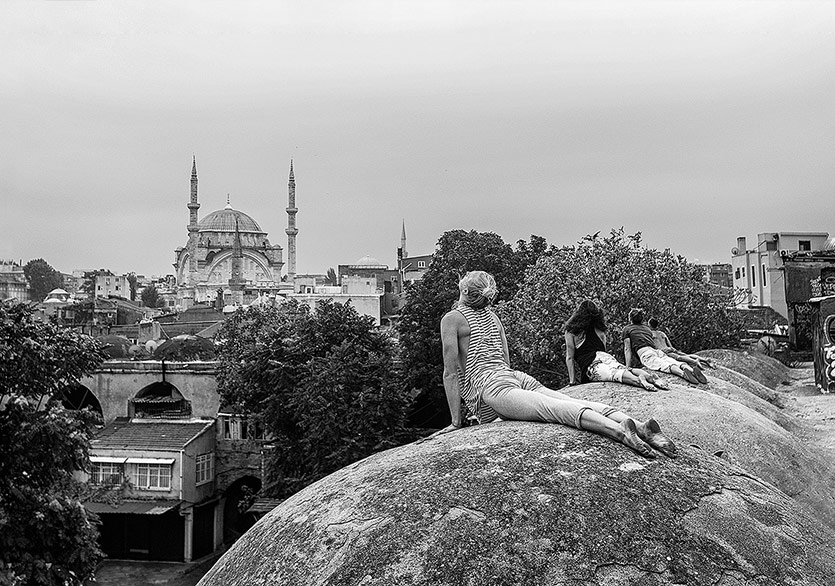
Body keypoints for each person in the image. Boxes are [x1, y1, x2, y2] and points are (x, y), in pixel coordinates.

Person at [429, 271, 676, 459]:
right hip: (514, 376)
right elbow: (505, 358)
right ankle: (642, 426)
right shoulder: (493, 317)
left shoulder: (452, 319)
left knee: (553, 410)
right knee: (570, 401)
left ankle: (620, 431)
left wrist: (455, 422)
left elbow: (451, 373)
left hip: (492, 386)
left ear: (463, 291)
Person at [564, 300, 668, 391]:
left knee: (614, 374)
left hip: (591, 363)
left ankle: (638, 381)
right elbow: (603, 349)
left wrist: (572, 382)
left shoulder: (572, 332)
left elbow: (570, 358)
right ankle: (650, 377)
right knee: (624, 368)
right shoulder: (600, 330)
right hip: (605, 357)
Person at [623, 309, 707, 384]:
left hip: (645, 353)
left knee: (665, 366)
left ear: (630, 319)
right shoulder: (647, 329)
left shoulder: (627, 329)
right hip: (656, 351)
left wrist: (627, 368)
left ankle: (683, 374)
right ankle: (690, 370)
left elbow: (627, 349)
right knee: (672, 361)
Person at [649, 317, 714, 370]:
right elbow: (668, 342)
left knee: (679, 357)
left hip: (663, 351)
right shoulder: (662, 333)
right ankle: (705, 360)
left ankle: (695, 361)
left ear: (649, 325)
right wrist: (672, 348)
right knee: (685, 355)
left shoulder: (650, 334)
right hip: (669, 348)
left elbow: (653, 346)